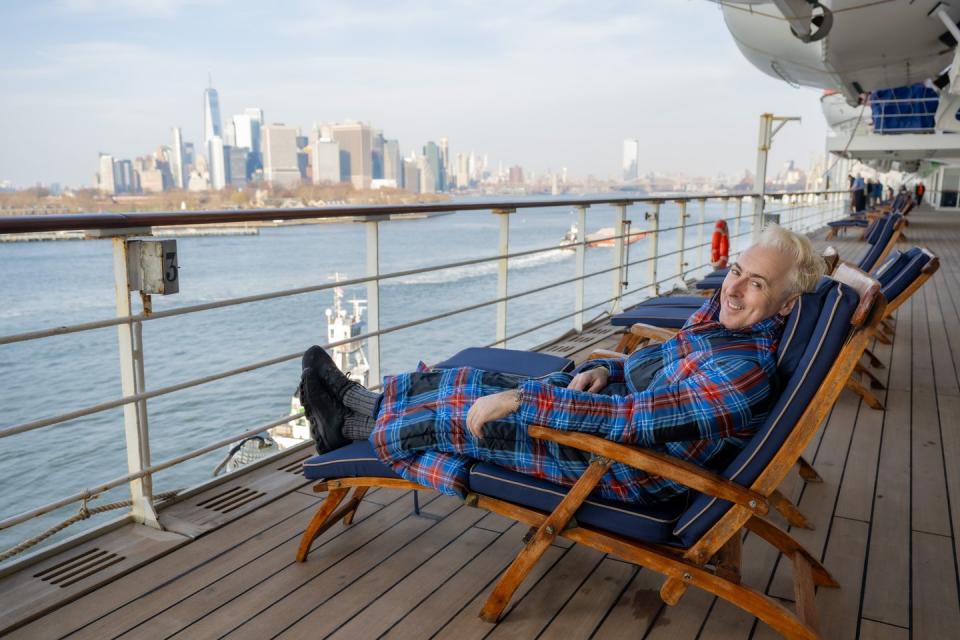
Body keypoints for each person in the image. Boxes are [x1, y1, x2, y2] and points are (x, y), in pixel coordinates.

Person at [299, 225, 825, 505]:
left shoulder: (743, 373)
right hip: (618, 417)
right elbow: (654, 374)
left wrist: (525, 402)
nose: (733, 287)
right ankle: (357, 403)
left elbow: (633, 424)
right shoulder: (723, 328)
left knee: (462, 415)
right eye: (737, 270)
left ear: (784, 304)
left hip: (622, 466)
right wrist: (610, 371)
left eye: (756, 283)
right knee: (471, 380)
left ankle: (348, 427)